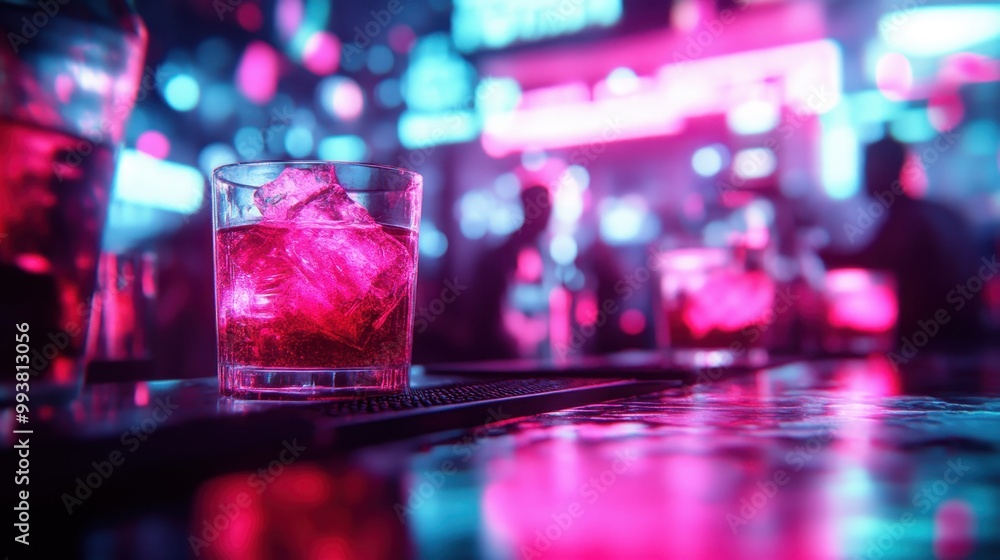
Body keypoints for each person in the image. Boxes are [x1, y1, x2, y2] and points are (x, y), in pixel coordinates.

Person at [822, 134, 984, 349]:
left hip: (932, 348)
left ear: (889, 168)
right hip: (962, 345)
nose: (864, 176)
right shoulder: (933, 213)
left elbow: (872, 259)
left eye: (869, 166)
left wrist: (814, 252)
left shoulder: (907, 220)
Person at [463, 185, 553, 360]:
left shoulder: (543, 253)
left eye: (549, 208)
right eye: (544, 207)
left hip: (534, 360)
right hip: (502, 359)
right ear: (527, 208)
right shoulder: (502, 257)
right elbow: (490, 317)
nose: (548, 215)